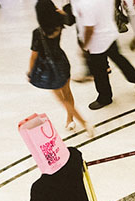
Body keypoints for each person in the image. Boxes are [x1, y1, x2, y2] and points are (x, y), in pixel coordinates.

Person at [72, 0, 135, 110]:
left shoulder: (85, 4)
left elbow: (89, 28)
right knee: (120, 60)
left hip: (97, 41)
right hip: (109, 32)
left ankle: (104, 97)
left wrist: (85, 46)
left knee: (99, 71)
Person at [28, 1, 91, 134]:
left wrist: (30, 71)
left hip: (49, 69)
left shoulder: (38, 33)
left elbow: (34, 55)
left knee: (62, 99)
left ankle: (84, 122)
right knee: (67, 93)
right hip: (62, 61)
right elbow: (69, 18)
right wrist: (59, 11)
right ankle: (70, 118)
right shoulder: (60, 22)